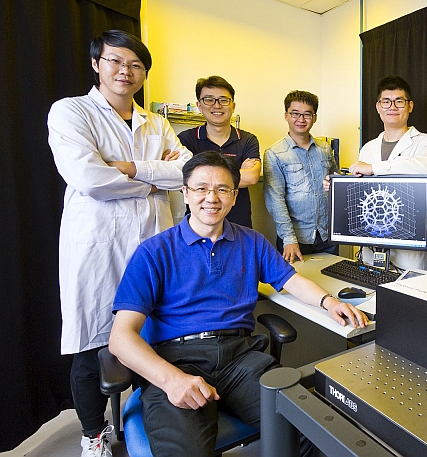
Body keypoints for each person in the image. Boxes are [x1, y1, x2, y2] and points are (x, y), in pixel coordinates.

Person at [109, 151, 367, 457]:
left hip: (241, 358)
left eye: (222, 189)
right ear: (185, 193)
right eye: (201, 188)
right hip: (176, 359)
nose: (211, 198)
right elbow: (121, 338)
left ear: (234, 197)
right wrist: (171, 380)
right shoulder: (154, 252)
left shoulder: (252, 241)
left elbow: (292, 280)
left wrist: (329, 301)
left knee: (312, 433)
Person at [47, 30, 192, 457]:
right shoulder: (71, 112)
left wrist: (127, 167)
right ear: (97, 64)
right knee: (92, 347)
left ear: (144, 73)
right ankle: (93, 434)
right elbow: (89, 178)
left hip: (153, 247)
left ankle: (151, 419)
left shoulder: (157, 122)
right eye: (115, 61)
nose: (125, 71)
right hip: (98, 249)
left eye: (135, 65)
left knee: (155, 338)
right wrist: (153, 178)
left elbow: (186, 172)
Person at [348, 75, 427, 271]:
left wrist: (374, 168)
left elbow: (426, 167)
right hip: (372, 244)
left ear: (410, 106)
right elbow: (361, 190)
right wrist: (338, 185)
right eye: (386, 102)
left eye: (399, 101)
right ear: (378, 107)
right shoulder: (368, 148)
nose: (392, 107)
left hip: (408, 249)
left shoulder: (425, 141)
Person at [264, 90, 339, 263]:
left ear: (314, 117)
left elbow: (335, 186)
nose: (301, 119)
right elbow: (275, 201)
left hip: (327, 235)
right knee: (296, 279)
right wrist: (289, 239)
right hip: (295, 239)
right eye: (295, 113)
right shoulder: (275, 154)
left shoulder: (325, 149)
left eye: (307, 114)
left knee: (333, 277)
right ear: (286, 115)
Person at [177, 76, 261, 227]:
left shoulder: (247, 140)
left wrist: (201, 182)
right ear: (199, 105)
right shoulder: (186, 139)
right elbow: (181, 179)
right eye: (209, 100)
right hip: (198, 226)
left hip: (240, 225)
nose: (217, 105)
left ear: (233, 106)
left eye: (223, 100)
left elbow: (252, 177)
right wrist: (238, 173)